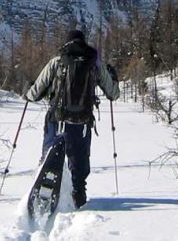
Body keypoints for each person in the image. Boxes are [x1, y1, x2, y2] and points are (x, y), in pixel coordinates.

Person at [24, 29, 119, 209]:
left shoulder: (57, 61)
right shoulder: (94, 63)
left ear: (67, 43)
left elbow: (34, 93)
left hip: (57, 118)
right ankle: (78, 194)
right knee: (79, 158)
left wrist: (28, 89)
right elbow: (113, 94)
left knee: (49, 154)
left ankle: (44, 187)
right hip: (82, 122)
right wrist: (114, 78)